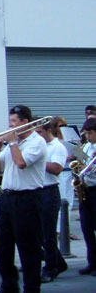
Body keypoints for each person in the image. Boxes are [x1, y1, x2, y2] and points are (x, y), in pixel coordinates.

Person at [0, 104, 47, 293]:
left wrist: (12, 142)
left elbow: (21, 163)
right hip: (7, 197)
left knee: (28, 245)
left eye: (14, 122)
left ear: (25, 123)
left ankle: (32, 287)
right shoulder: (13, 144)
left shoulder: (36, 142)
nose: (10, 125)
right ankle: (9, 284)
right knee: (2, 243)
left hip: (28, 198)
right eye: (10, 121)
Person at [35, 118, 68, 282]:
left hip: (50, 191)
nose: (37, 135)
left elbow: (56, 169)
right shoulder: (35, 145)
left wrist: (38, 159)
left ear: (49, 131)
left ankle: (50, 268)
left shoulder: (57, 147)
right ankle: (58, 262)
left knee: (48, 233)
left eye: (40, 132)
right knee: (38, 233)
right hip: (36, 190)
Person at [78, 116, 96, 276]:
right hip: (86, 190)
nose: (88, 137)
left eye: (90, 133)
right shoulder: (86, 147)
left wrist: (87, 168)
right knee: (87, 228)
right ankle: (92, 261)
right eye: (86, 133)